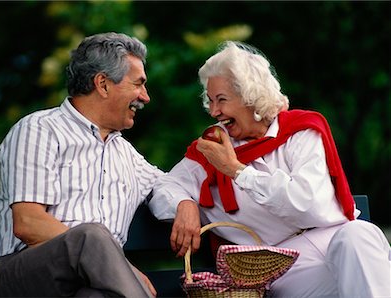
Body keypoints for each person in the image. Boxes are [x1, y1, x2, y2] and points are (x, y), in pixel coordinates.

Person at [149, 41, 391, 297]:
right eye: (210, 101)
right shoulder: (211, 152)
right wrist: (183, 204)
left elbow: (306, 202)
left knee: (359, 233)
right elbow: (164, 187)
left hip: (338, 242)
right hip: (286, 269)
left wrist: (239, 172)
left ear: (251, 96)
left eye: (221, 100)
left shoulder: (301, 131)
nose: (214, 111)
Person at [0, 32, 164, 297]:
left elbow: (171, 186)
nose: (145, 97)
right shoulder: (39, 130)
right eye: (138, 84)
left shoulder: (127, 154)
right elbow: (28, 223)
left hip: (92, 285)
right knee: (93, 235)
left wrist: (184, 205)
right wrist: (123, 267)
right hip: (25, 280)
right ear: (102, 84)